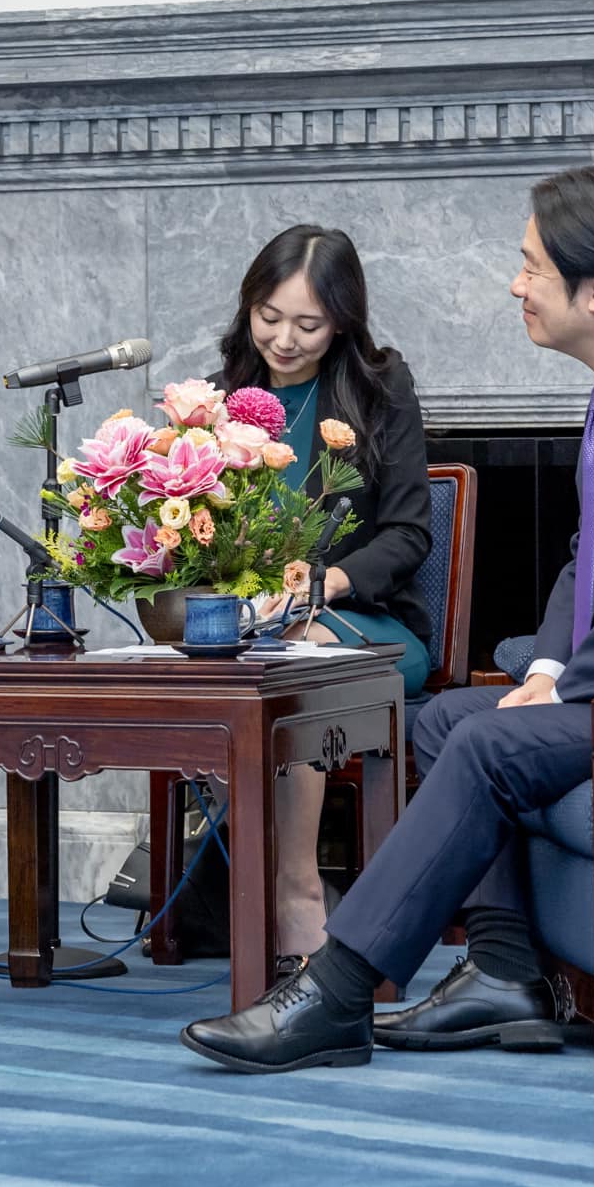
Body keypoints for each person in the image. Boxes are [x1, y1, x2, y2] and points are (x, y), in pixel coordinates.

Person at [180, 164, 594, 1073]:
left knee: (489, 742)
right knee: (453, 716)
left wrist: (566, 680)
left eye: (532, 267)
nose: (515, 284)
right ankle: (504, 970)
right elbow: (589, 556)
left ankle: (334, 992)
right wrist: (545, 667)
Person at [211, 225, 434, 967]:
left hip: (365, 627)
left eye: (307, 324)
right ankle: (228, 890)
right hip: (254, 627)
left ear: (342, 318)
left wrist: (326, 583)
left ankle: (297, 889)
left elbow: (408, 533)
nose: (283, 339)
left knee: (299, 667)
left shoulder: (379, 388)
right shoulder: (223, 401)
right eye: (268, 317)